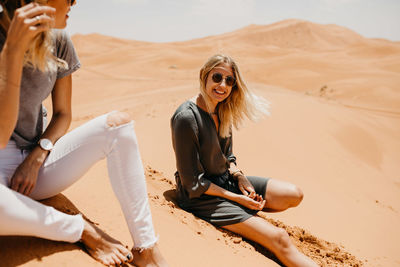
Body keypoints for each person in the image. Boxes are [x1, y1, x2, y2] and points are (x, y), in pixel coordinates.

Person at [0, 1, 168, 266]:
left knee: (119, 126)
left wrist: (36, 156)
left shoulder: (58, 40)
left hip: (35, 164)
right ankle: (82, 231)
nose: (74, 2)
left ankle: (146, 247)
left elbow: (63, 113)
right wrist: (11, 52)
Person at [171, 54, 318, 267]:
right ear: (204, 76)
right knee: (280, 238)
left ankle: (244, 213)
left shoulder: (222, 110)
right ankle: (243, 214)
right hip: (200, 197)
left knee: (294, 194)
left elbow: (228, 157)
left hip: (226, 181)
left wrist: (239, 177)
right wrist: (237, 199)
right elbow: (191, 183)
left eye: (229, 80)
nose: (222, 85)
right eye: (217, 77)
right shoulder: (187, 117)